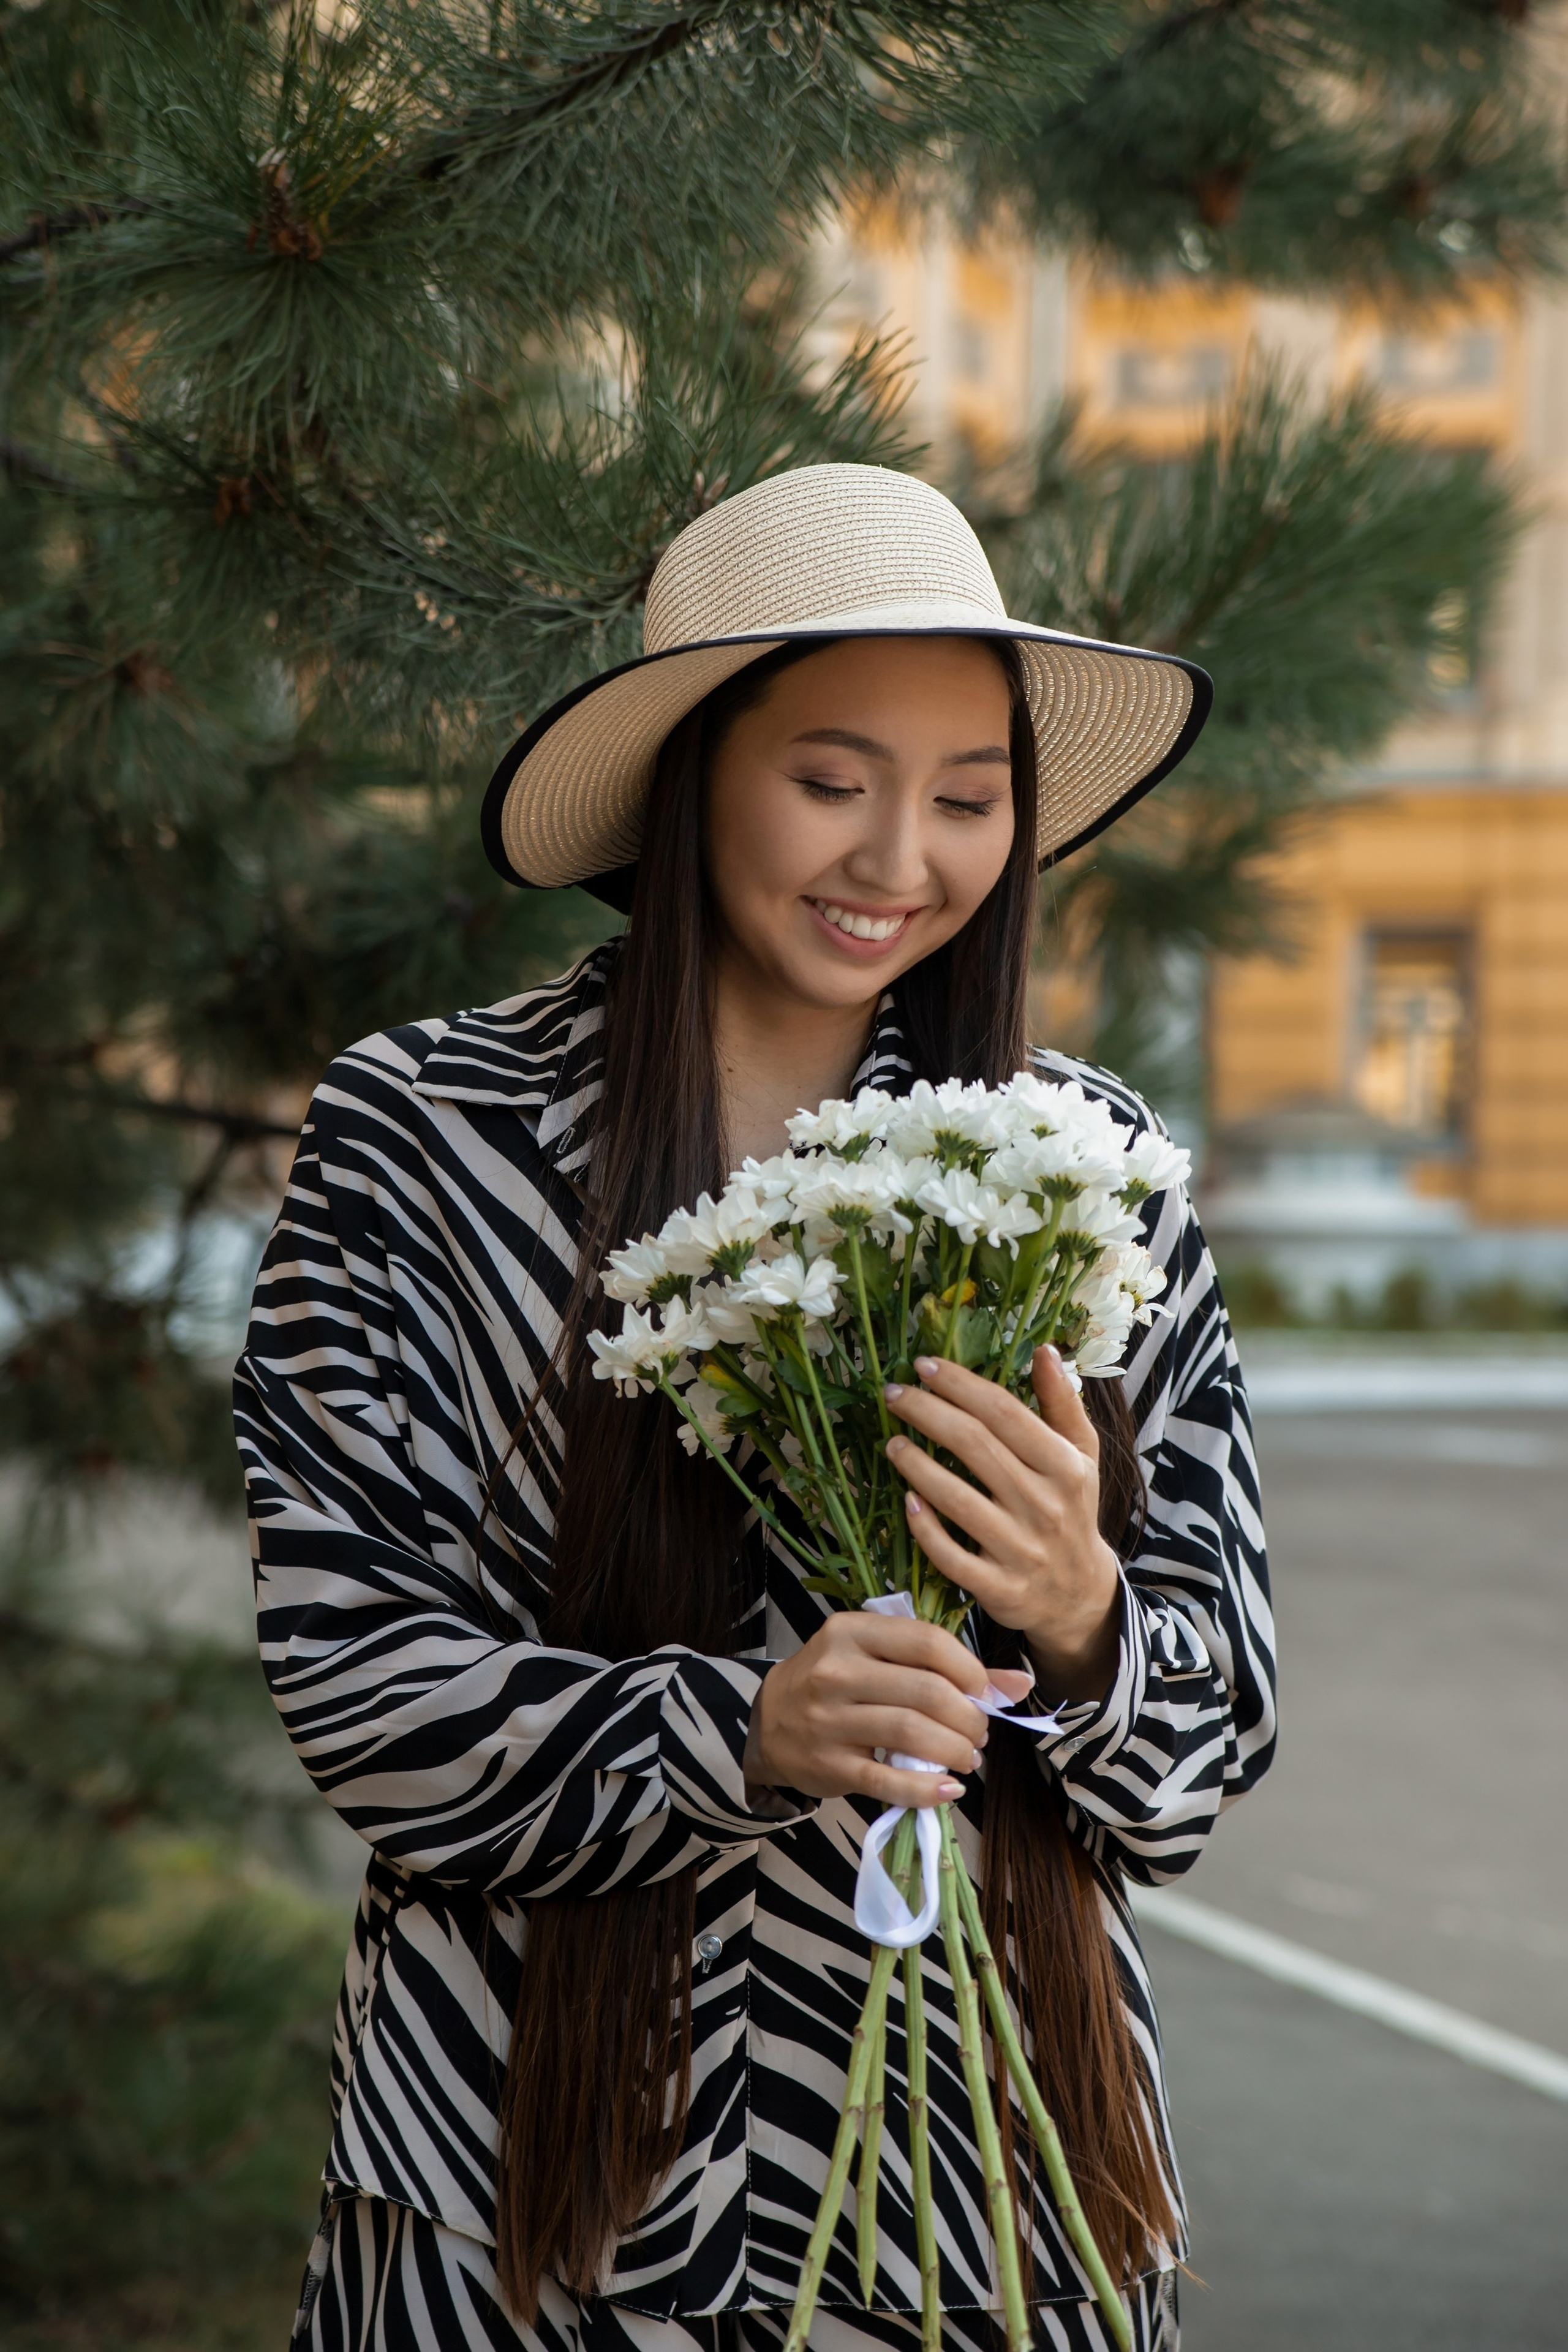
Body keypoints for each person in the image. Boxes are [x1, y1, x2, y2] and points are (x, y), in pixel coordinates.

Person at [236, 464, 1275, 2352]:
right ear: (692, 769)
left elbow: (1208, 1757)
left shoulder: (1089, 1166)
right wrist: (747, 1727)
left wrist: (1083, 1607)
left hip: (998, 2197)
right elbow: (354, 1681)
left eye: (971, 799)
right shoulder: (423, 1137)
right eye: (832, 779)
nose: (902, 859)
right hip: (514, 2192)